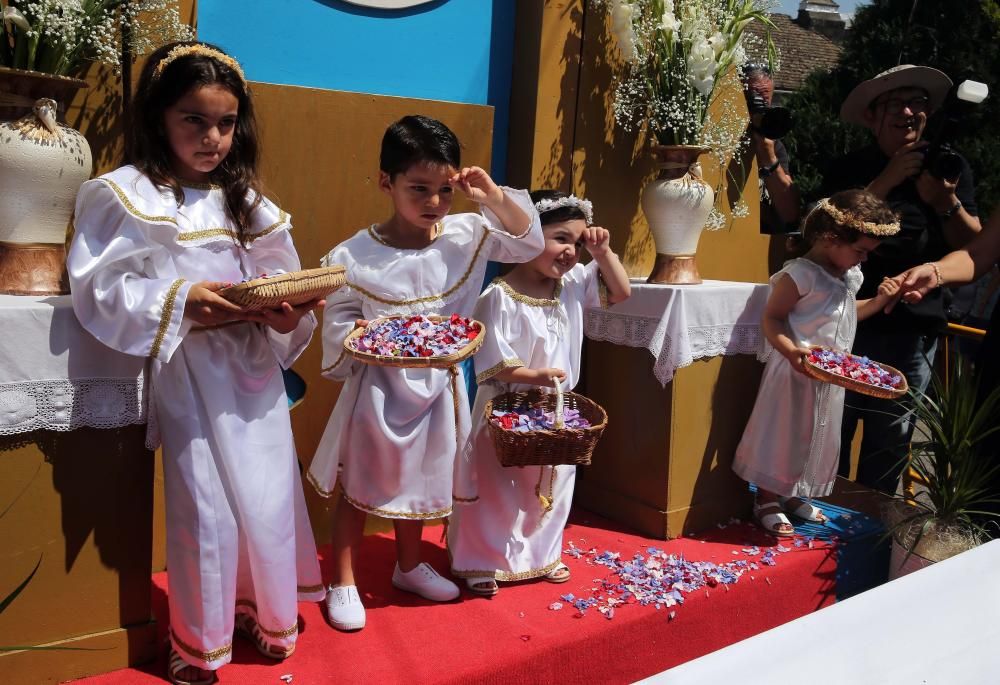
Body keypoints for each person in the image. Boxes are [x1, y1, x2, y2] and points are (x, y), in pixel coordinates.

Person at [67, 42, 325, 685]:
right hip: (187, 370)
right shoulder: (125, 195)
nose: (213, 138)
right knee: (205, 505)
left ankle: (261, 613)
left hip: (253, 369)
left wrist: (287, 313)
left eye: (227, 122)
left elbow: (281, 277)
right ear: (159, 117)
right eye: (195, 120)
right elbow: (99, 286)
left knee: (264, 498)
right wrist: (181, 301)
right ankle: (198, 644)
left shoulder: (247, 202)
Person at [308, 115, 544, 631]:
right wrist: (358, 341)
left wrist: (493, 195)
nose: (434, 202)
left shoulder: (469, 233)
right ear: (385, 182)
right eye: (419, 188)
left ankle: (409, 565)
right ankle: (343, 578)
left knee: (424, 476)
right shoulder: (354, 254)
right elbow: (341, 314)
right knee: (359, 480)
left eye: (444, 190)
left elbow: (528, 245)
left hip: (439, 386)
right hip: (378, 389)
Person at [447, 190, 630, 596]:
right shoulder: (497, 296)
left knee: (550, 487)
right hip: (504, 410)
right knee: (496, 487)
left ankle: (542, 555)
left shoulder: (572, 285)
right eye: (560, 238)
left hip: (556, 413)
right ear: (526, 239)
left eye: (578, 243)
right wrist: (534, 375)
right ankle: (481, 558)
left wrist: (603, 254)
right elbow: (495, 362)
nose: (570, 252)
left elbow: (620, 292)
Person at [820, 64, 982, 494]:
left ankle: (868, 535)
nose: (909, 111)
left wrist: (946, 201)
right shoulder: (847, 169)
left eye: (919, 103)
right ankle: (819, 519)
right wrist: (886, 181)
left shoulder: (949, 167)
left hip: (911, 333)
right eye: (896, 103)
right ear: (872, 116)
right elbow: (822, 234)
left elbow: (976, 250)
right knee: (829, 432)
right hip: (845, 327)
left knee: (890, 444)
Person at [733, 190, 901, 536]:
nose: (864, 260)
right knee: (785, 433)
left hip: (830, 374)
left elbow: (845, 315)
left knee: (817, 434)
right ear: (830, 238)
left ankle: (793, 492)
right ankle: (766, 496)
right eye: (860, 251)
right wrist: (792, 352)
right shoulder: (801, 274)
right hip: (795, 370)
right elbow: (773, 319)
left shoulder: (848, 277)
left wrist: (882, 299)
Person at [741, 63, 800, 237]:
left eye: (765, 99)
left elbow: (790, 214)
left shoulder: (774, 145)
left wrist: (768, 156)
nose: (759, 106)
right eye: (751, 98)